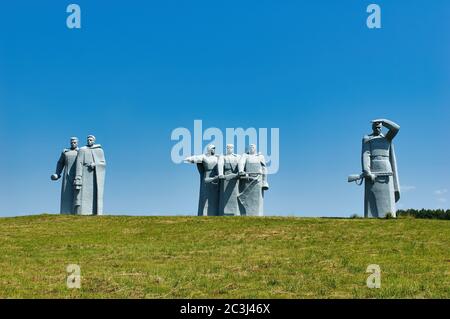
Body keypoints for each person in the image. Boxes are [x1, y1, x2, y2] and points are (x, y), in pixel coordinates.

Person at [362, 119, 400, 218]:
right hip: (373, 167)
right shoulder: (367, 138)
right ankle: (371, 216)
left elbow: (396, 128)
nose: (377, 129)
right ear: (372, 127)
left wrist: (383, 120)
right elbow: (366, 154)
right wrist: (367, 171)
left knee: (388, 196)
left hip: (386, 167)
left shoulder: (387, 137)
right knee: (372, 196)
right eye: (375, 127)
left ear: (382, 127)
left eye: (379, 127)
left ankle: (389, 215)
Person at [74, 135, 106, 215]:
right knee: (82, 195)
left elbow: (103, 163)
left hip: (94, 176)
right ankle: (82, 212)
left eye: (91, 140)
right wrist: (78, 176)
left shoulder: (99, 150)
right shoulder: (82, 150)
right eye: (88, 140)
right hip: (84, 174)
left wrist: (95, 164)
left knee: (94, 194)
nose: (89, 141)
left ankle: (94, 212)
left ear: (94, 141)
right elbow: (79, 163)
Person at [185, 144, 220, 216]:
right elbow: (196, 158)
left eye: (214, 149)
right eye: (213, 148)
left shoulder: (217, 157)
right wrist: (189, 159)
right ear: (209, 149)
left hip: (216, 177)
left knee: (215, 197)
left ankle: (215, 213)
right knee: (205, 195)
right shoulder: (204, 156)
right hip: (207, 176)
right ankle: (204, 214)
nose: (214, 150)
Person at [238, 144, 269, 216]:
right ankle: (244, 213)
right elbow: (241, 163)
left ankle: (257, 214)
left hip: (258, 180)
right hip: (247, 179)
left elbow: (264, 168)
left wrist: (265, 181)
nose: (252, 148)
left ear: (255, 148)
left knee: (257, 198)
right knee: (246, 198)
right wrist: (241, 170)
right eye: (250, 147)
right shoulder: (245, 155)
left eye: (253, 147)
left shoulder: (260, 156)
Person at [51, 137, 79, 214]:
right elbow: (60, 163)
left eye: (75, 142)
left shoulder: (80, 152)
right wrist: (57, 173)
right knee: (66, 193)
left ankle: (77, 212)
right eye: (72, 142)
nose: (73, 144)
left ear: (77, 143)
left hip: (78, 175)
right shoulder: (65, 152)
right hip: (66, 175)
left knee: (77, 194)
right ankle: (65, 211)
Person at [218, 144, 241, 216]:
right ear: (226, 148)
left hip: (235, 177)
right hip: (226, 177)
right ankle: (225, 212)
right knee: (225, 195)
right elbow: (220, 164)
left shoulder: (237, 157)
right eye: (228, 147)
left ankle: (235, 212)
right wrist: (221, 174)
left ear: (233, 148)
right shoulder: (223, 156)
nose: (229, 149)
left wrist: (240, 171)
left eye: (231, 147)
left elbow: (241, 164)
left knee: (235, 195)